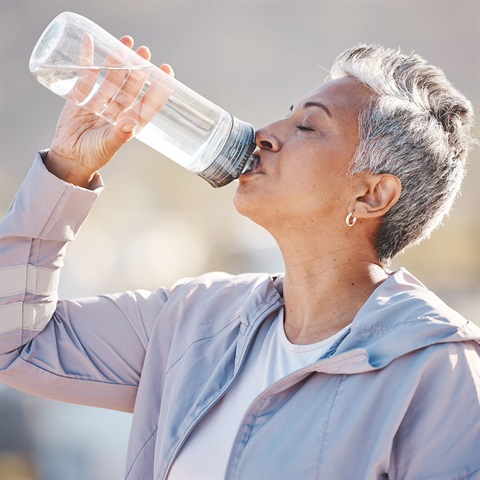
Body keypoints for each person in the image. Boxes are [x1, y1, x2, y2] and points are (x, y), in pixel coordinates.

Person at [0, 40, 479, 479]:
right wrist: (66, 167)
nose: (264, 134)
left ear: (372, 194)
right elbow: (15, 342)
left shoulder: (435, 368)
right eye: (284, 116)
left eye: (308, 126)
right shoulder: (195, 320)